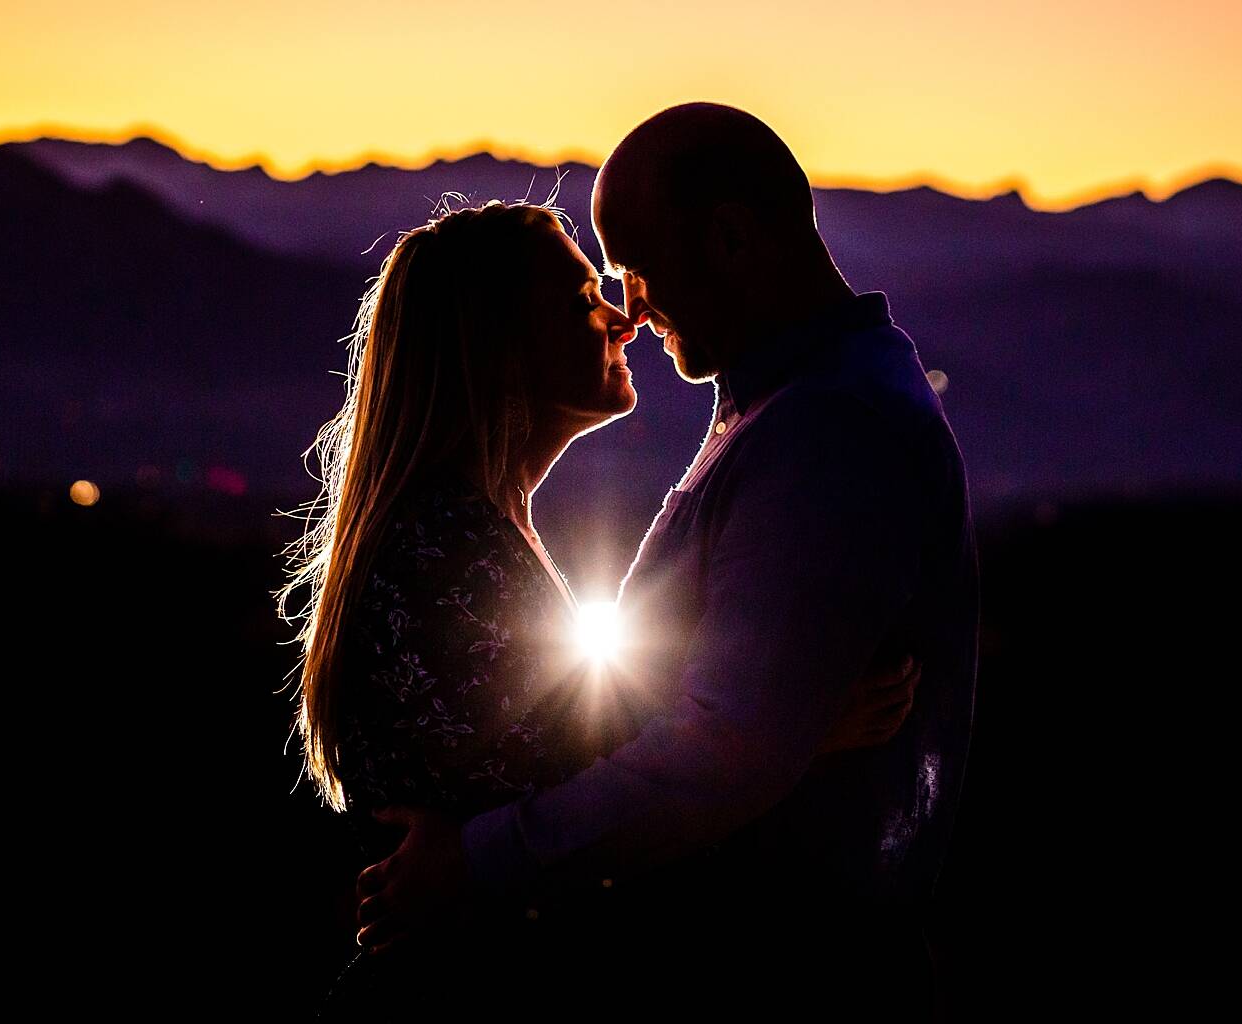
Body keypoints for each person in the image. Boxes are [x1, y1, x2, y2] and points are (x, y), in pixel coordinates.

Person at [355, 103, 983, 1018]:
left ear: (731, 238)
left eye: (637, 270)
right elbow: (697, 735)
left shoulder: (824, 431)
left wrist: (481, 862)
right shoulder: (788, 410)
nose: (631, 310)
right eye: (603, 283)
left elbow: (718, 756)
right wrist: (793, 727)